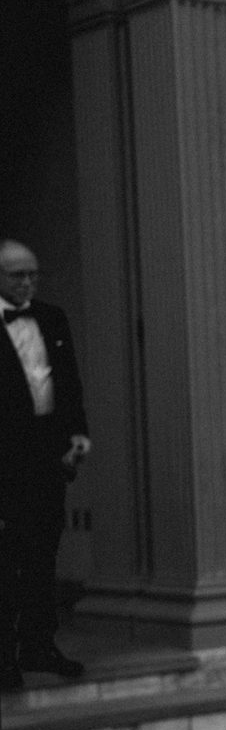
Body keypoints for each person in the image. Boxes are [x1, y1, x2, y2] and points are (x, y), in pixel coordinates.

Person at [0, 239, 89, 695]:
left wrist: (77, 434)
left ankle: (39, 645)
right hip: (5, 461)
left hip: (48, 457)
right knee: (7, 559)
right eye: (17, 275)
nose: (28, 282)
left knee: (42, 555)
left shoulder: (52, 317)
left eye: (33, 274)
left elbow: (67, 382)